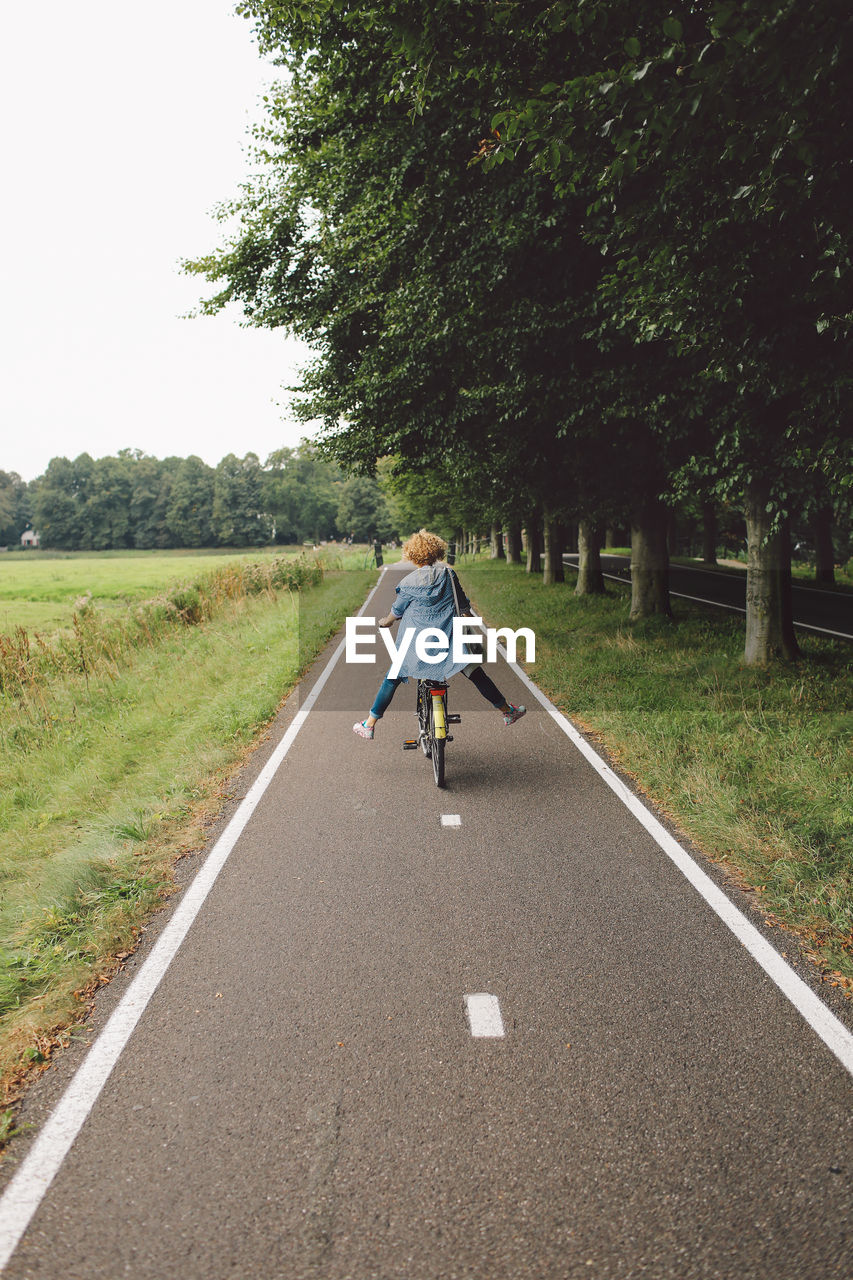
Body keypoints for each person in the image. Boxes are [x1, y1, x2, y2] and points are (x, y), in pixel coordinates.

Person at [353, 528, 526, 739]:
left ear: (411, 554)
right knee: (475, 673)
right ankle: (507, 712)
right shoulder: (449, 575)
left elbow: (396, 612)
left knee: (392, 678)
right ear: (437, 551)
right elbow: (463, 608)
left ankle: (369, 724)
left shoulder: (407, 583)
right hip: (449, 639)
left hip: (416, 644)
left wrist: (385, 622)